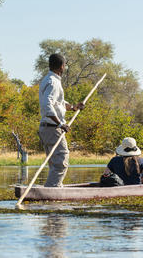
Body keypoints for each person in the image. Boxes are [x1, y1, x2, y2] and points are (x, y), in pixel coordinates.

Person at [38, 53, 84, 187]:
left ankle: (54, 188)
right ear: (62, 66)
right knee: (61, 162)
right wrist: (60, 124)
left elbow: (58, 103)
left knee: (54, 164)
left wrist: (74, 107)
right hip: (53, 128)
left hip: (47, 128)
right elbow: (47, 105)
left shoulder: (50, 79)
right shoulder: (53, 82)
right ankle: (52, 191)